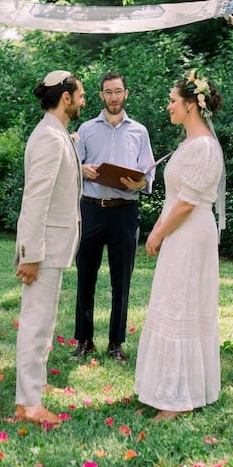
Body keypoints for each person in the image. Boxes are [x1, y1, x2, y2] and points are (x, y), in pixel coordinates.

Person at [135, 69, 224, 421]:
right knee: (171, 303)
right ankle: (168, 390)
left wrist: (157, 234)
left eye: (173, 101)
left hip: (191, 234)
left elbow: (187, 203)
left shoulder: (204, 147)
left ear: (191, 106)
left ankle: (178, 398)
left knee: (182, 305)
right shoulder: (188, 144)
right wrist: (157, 229)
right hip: (178, 231)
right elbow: (174, 198)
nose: (168, 106)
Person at [14, 69, 85, 427]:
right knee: (36, 323)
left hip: (55, 247)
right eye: (81, 95)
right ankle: (28, 404)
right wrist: (31, 256)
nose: (84, 101)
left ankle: (35, 387)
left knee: (44, 320)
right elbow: (35, 200)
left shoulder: (56, 134)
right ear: (66, 97)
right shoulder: (49, 138)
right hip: (43, 251)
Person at [72, 70, 155, 364]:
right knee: (86, 276)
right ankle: (84, 341)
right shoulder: (85, 129)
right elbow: (72, 166)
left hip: (125, 212)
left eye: (118, 91)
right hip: (91, 208)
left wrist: (141, 183)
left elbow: (148, 171)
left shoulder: (139, 131)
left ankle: (115, 343)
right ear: (101, 96)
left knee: (122, 280)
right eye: (108, 92)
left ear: (126, 94)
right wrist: (82, 169)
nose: (114, 97)